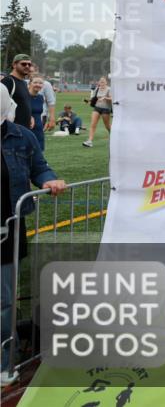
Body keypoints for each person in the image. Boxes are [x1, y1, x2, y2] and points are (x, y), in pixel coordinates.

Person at [2, 84, 67, 387]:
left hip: (9, 226)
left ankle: (4, 362)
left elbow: (39, 168)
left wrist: (50, 180)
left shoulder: (21, 136)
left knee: (4, 300)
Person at [0, 54, 34, 130]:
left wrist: (30, 116)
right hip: (11, 130)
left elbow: (22, 103)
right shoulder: (8, 81)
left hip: (24, 129)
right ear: (14, 65)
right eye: (23, 64)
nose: (27, 66)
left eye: (29, 64)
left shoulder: (24, 83)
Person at [82, 76, 112, 147]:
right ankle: (89, 141)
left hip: (106, 109)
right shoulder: (97, 89)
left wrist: (105, 98)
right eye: (100, 81)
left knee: (107, 126)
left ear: (106, 82)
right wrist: (88, 101)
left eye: (103, 81)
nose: (102, 83)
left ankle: (113, 137)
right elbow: (94, 98)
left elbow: (111, 98)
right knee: (93, 124)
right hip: (97, 108)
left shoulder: (109, 89)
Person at [29, 65, 55, 132]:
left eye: (32, 71)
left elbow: (51, 102)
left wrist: (51, 118)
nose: (31, 73)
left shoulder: (46, 84)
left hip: (41, 115)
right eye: (29, 71)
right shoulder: (24, 82)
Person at [27, 77, 47, 151]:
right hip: (27, 129)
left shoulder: (40, 97)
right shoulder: (23, 96)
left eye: (40, 83)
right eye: (35, 82)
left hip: (39, 130)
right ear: (30, 84)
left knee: (39, 154)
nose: (38, 85)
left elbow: (40, 113)